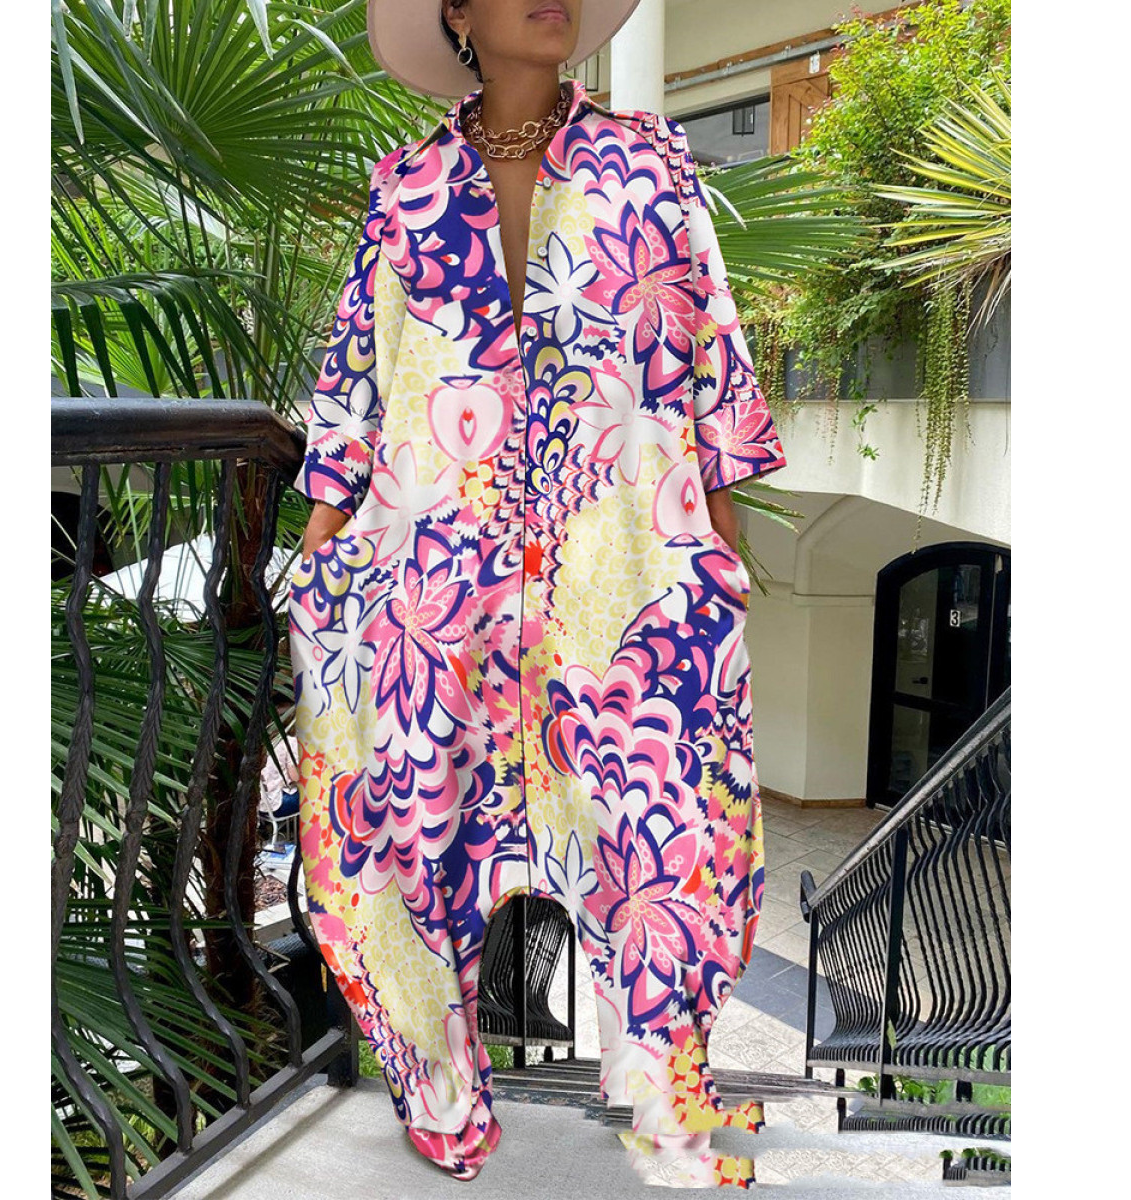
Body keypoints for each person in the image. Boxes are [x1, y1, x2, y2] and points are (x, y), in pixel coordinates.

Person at [288, 0, 788, 1186]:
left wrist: (719, 547)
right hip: (433, 581)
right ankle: (442, 1094)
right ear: (457, 12)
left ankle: (664, 1102)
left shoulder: (648, 163)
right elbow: (356, 383)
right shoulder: (407, 188)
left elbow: (709, 352)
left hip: (625, 569)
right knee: (410, 839)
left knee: (666, 835)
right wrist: (316, 557)